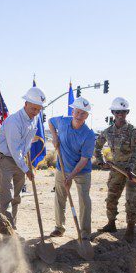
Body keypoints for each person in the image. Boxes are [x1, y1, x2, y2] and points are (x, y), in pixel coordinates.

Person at [94, 97, 136, 243]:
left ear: (127, 112)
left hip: (133, 168)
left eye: (123, 112)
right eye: (117, 112)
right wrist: (100, 161)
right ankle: (111, 223)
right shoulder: (107, 131)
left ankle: (130, 228)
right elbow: (97, 147)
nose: (120, 114)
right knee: (112, 195)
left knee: (131, 198)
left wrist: (129, 168)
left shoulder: (133, 132)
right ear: (112, 112)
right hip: (117, 167)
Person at [0, 87, 45, 229]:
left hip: (20, 160)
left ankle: (12, 226)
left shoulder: (35, 119)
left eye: (38, 109)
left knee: (16, 197)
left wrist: (26, 161)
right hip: (6, 159)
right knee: (7, 197)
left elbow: (25, 143)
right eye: (33, 108)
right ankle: (5, 230)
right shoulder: (14, 121)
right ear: (26, 104)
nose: (35, 112)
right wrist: (27, 169)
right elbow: (14, 150)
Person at [48, 97, 95, 239]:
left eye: (83, 114)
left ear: (87, 116)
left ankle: (85, 232)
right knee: (60, 197)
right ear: (72, 111)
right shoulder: (62, 121)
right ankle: (59, 227)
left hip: (81, 171)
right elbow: (50, 121)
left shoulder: (89, 135)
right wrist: (55, 136)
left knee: (84, 200)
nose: (79, 116)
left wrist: (71, 176)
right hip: (62, 167)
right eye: (77, 112)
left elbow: (84, 159)